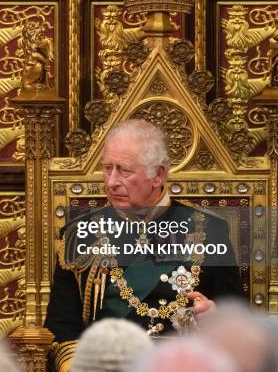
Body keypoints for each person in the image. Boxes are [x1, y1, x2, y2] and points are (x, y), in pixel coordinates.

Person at [44, 119, 243, 372]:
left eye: (124, 171)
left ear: (158, 175)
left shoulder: (207, 230)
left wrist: (216, 318)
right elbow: (61, 325)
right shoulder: (80, 235)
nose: (111, 182)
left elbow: (239, 321)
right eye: (107, 168)